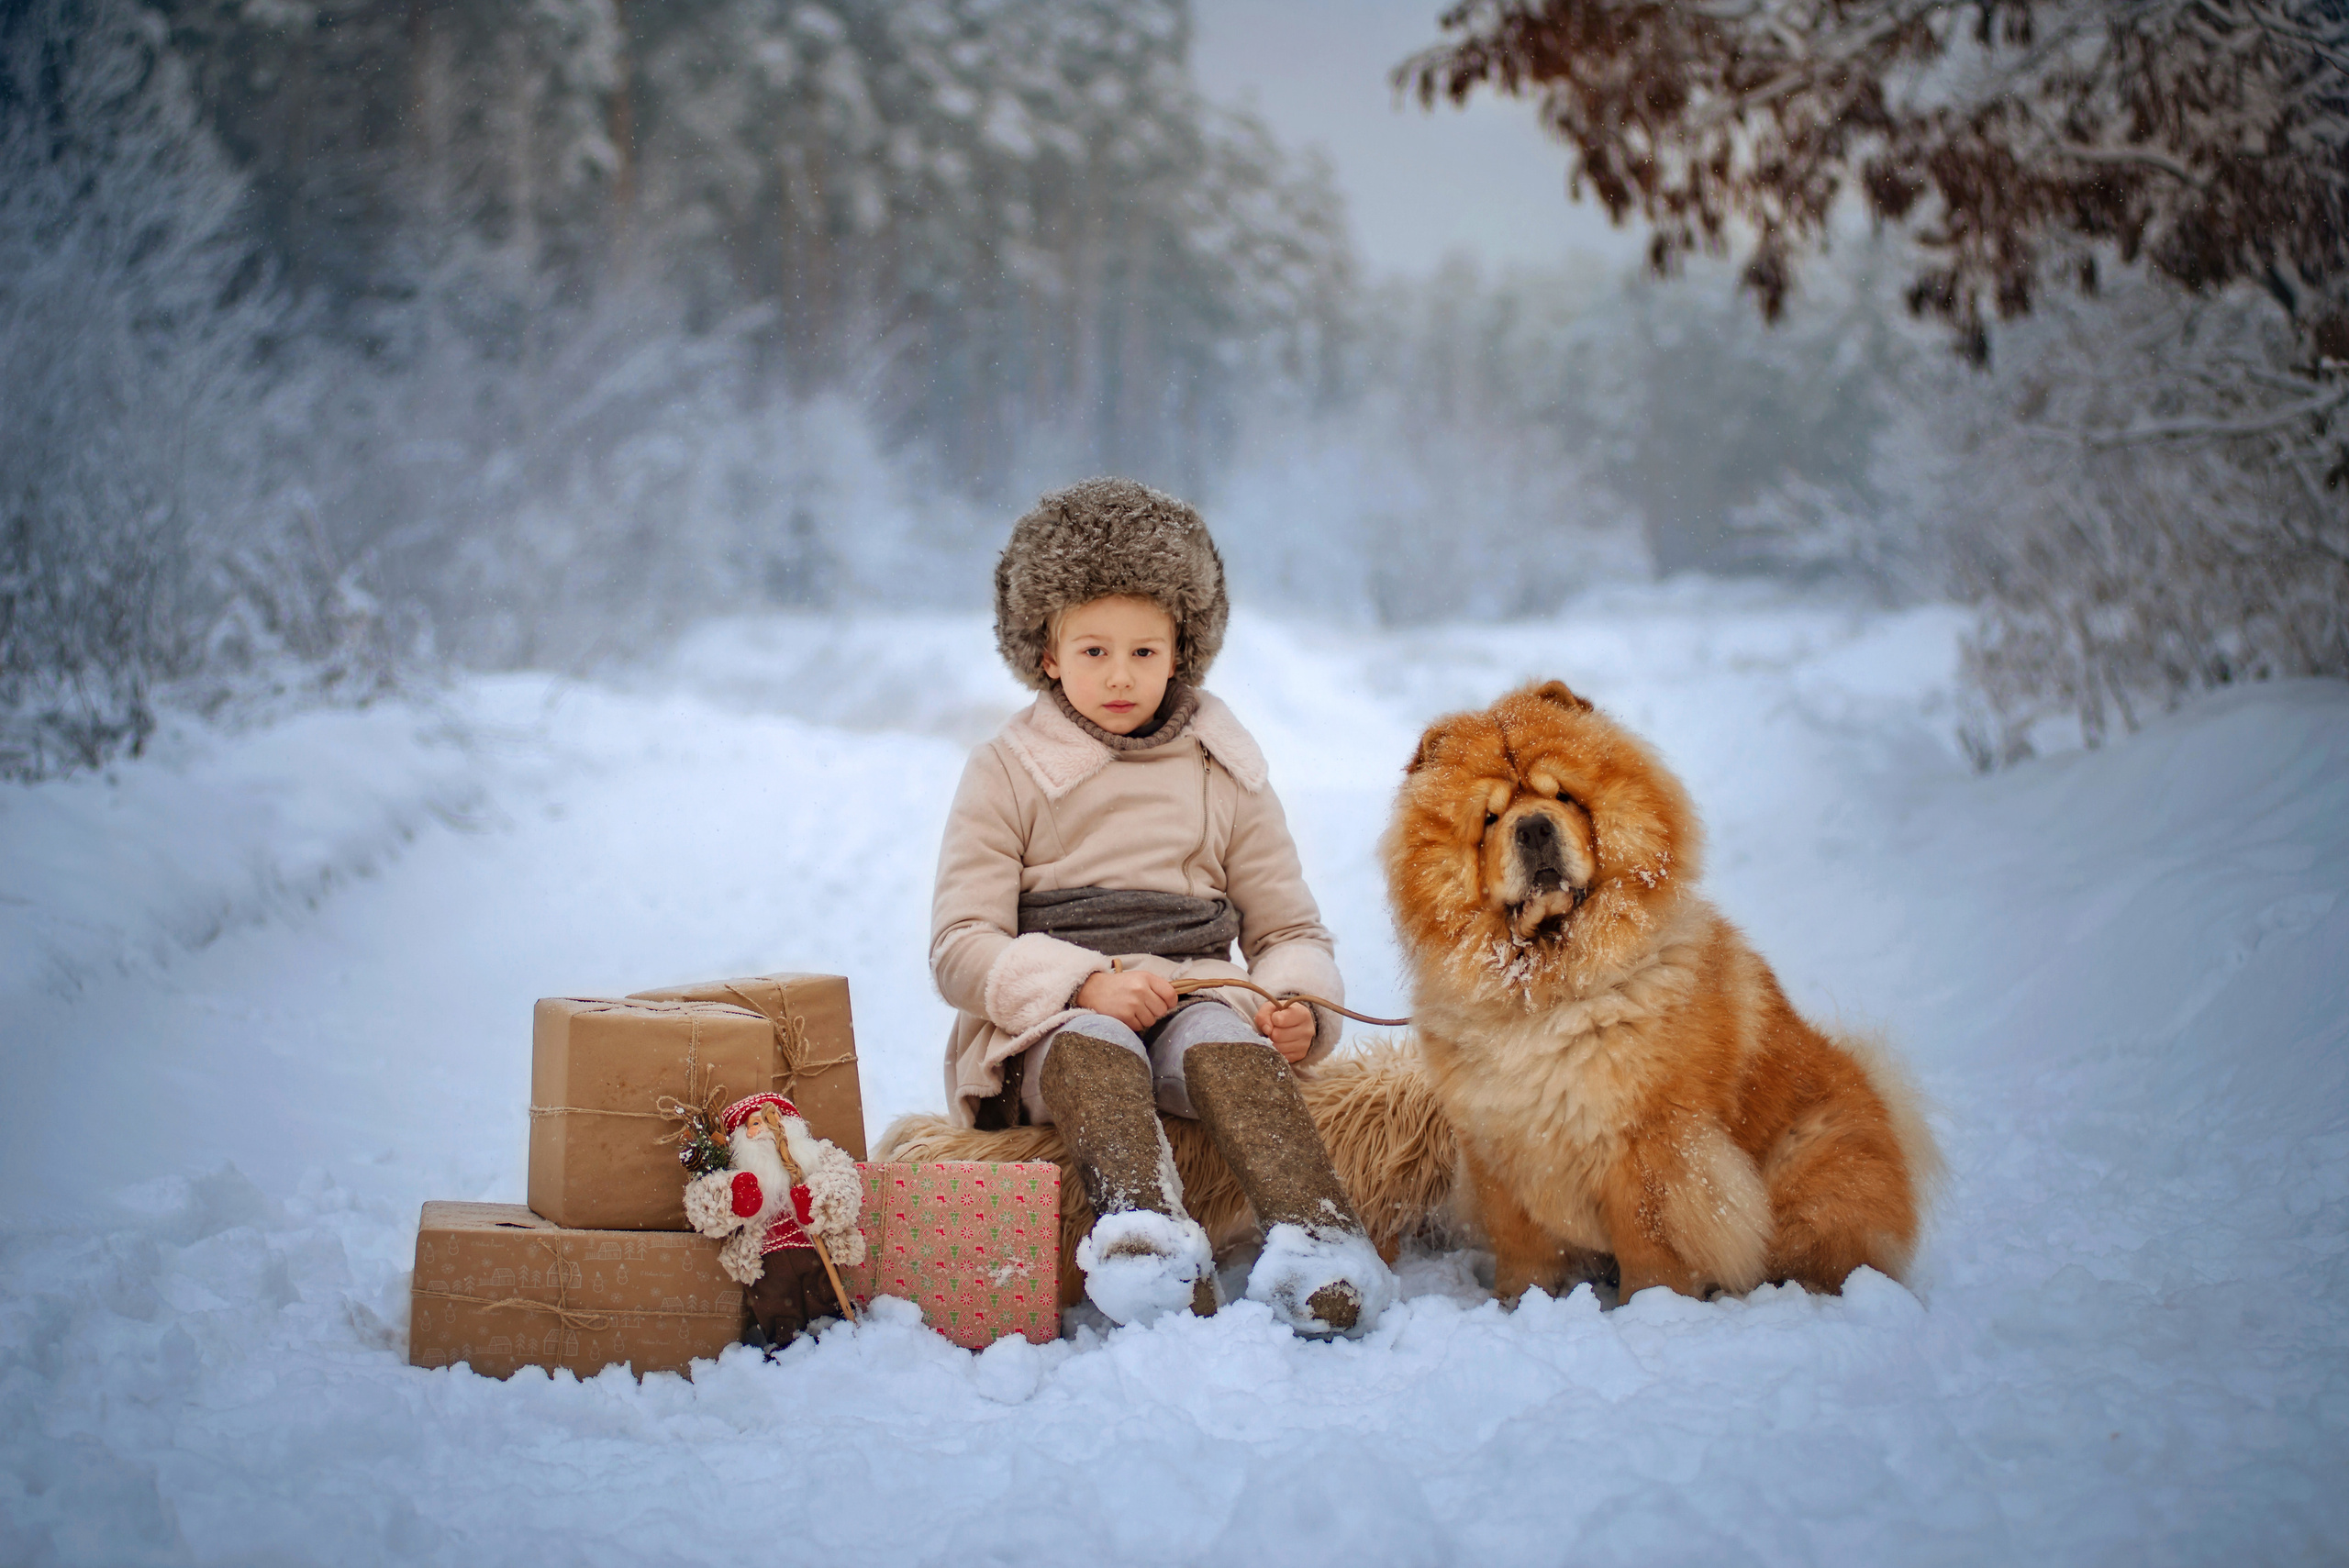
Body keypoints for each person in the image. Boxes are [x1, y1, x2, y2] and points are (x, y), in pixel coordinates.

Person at [929, 477, 1395, 1336]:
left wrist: (1297, 1006)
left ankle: (1320, 1240)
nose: (1119, 675)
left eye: (1145, 651)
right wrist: (1081, 983)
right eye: (1094, 650)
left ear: (1182, 649)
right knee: (1097, 1047)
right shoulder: (1006, 769)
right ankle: (1143, 1241)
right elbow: (962, 943)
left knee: (1225, 1043)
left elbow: (1288, 927)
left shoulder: (1224, 766)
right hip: (1054, 1023)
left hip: (1197, 993)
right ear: (1046, 651)